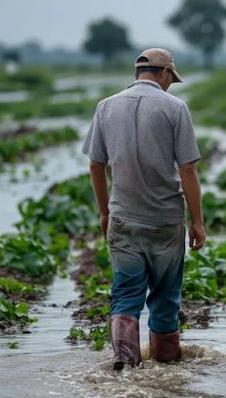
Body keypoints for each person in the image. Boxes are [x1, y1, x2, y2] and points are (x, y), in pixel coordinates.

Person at [81, 48, 206, 370]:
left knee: (125, 293)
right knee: (165, 297)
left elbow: (96, 166)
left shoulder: (105, 107)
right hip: (165, 221)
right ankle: (166, 370)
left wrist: (105, 213)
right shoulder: (175, 108)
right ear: (164, 73)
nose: (169, 84)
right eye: (170, 79)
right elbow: (188, 170)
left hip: (122, 217)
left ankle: (124, 361)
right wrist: (198, 222)